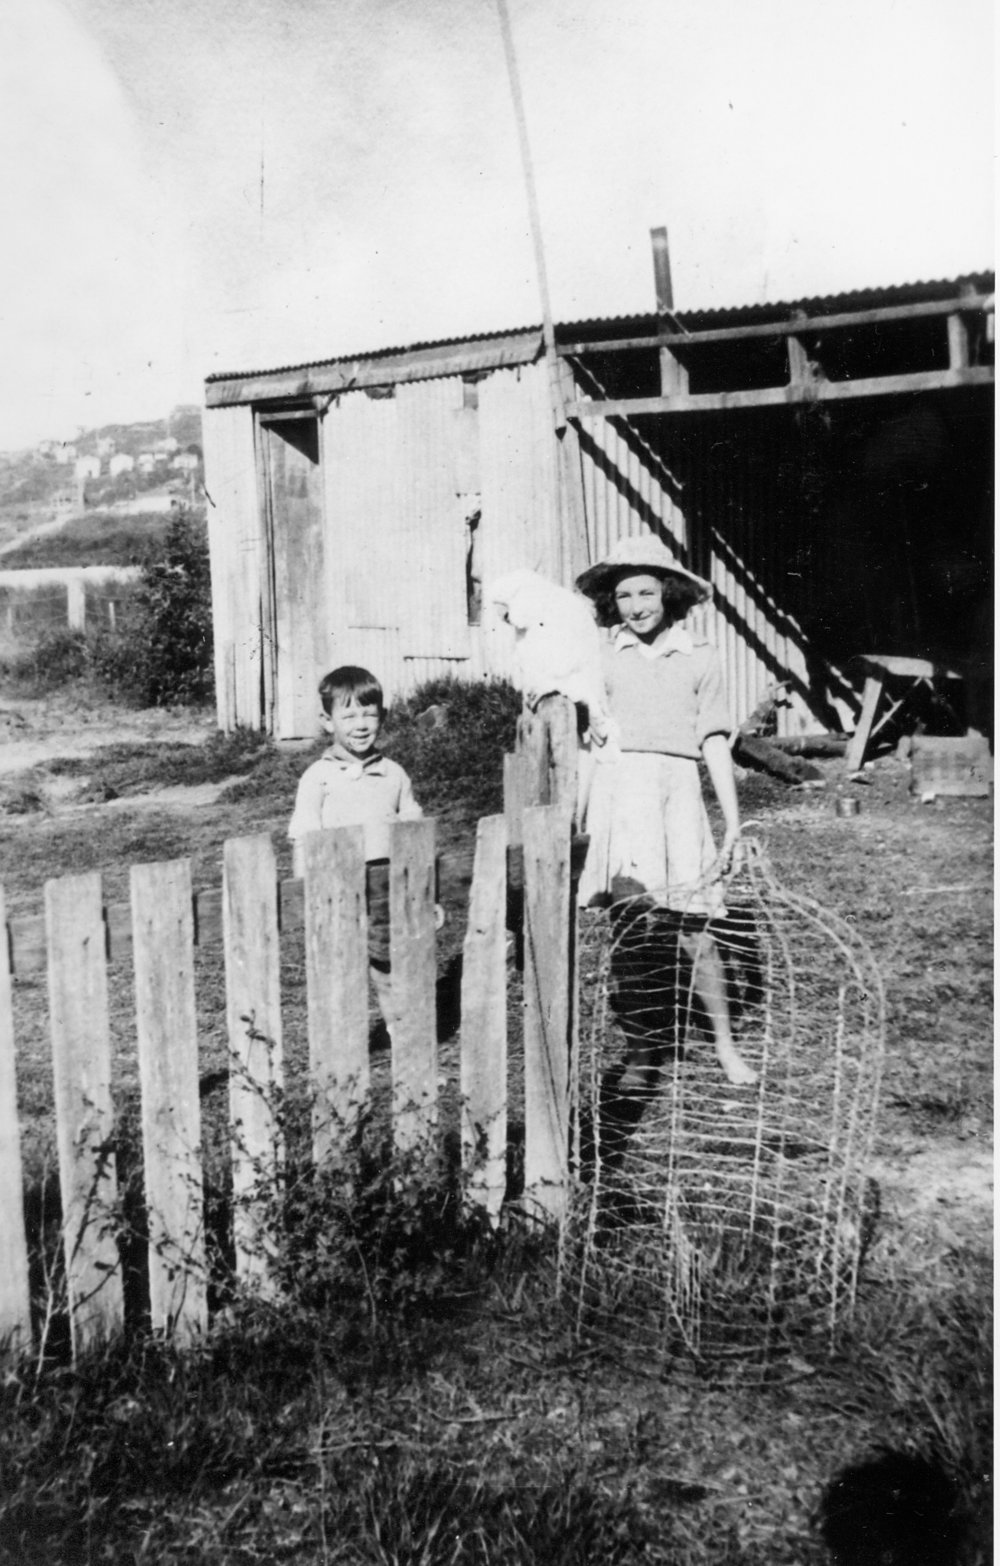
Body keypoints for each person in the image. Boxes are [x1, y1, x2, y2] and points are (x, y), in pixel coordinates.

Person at [575, 535, 757, 1093]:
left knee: (695, 929)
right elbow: (578, 723)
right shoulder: (601, 652)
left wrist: (731, 822)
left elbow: (714, 742)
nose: (636, 606)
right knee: (630, 932)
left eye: (647, 592)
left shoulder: (699, 655)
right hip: (620, 793)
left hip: (676, 795)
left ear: (669, 593)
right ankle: (643, 1052)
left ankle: (725, 1045)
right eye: (625, 595)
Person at [288, 664, 423, 1036]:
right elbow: (304, 835)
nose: (361, 724)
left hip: (386, 883)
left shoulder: (394, 774)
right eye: (348, 715)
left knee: (390, 961)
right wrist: (306, 890)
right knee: (339, 964)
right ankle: (341, 1045)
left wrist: (427, 889)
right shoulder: (318, 777)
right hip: (335, 886)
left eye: (370, 714)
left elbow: (415, 834)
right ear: (327, 721)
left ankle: (403, 1035)